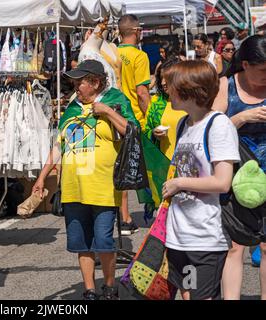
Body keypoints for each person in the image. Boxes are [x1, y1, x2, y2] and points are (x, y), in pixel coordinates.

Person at [32, 60, 138, 300]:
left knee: (103, 241)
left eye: (80, 82)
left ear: (95, 82)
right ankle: (89, 289)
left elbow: (132, 131)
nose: (75, 86)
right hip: (73, 188)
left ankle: (110, 287)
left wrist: (108, 111)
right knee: (81, 244)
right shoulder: (71, 108)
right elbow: (59, 146)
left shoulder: (115, 100)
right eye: (75, 82)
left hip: (102, 186)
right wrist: (42, 176)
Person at [162, 60, 240, 300]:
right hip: (179, 235)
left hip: (205, 237)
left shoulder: (218, 125)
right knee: (187, 294)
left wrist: (179, 183)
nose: (167, 90)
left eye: (171, 85)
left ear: (189, 90)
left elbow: (222, 182)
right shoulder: (183, 124)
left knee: (201, 297)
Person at [213, 35, 266, 300]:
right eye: (262, 70)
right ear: (244, 64)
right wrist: (241, 117)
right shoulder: (226, 85)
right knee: (234, 245)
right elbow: (210, 128)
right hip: (235, 175)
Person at [117, 14, 151, 235]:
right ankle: (127, 216)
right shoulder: (139, 56)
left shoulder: (110, 53)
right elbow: (141, 92)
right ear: (137, 31)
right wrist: (151, 117)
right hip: (133, 118)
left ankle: (123, 216)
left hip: (113, 115)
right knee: (138, 168)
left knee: (118, 166)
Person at [144, 57, 187, 160]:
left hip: (188, 165)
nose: (163, 83)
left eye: (167, 78)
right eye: (161, 78)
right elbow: (146, 131)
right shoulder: (156, 102)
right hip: (163, 166)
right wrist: (154, 134)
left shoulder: (192, 101)